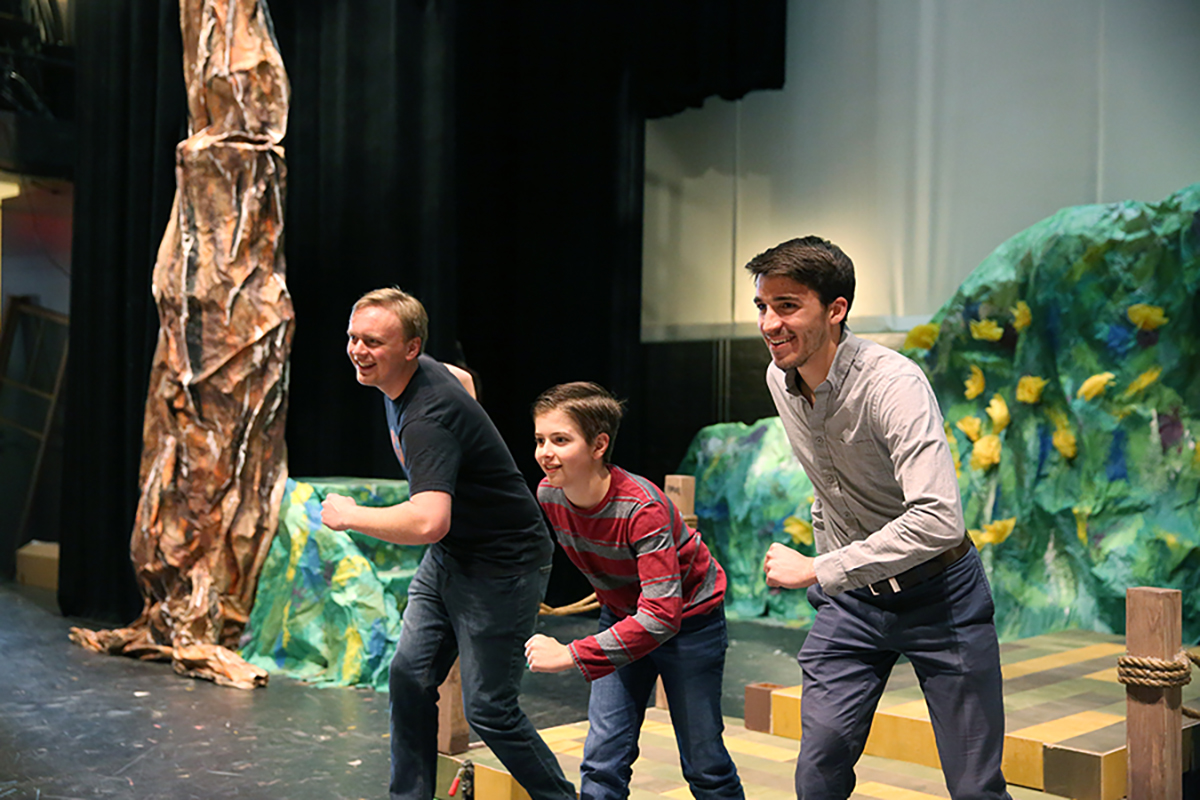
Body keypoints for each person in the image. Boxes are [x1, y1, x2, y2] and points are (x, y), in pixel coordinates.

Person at [748, 238, 1012, 800]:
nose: (771, 323)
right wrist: (834, 568)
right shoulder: (781, 379)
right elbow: (828, 483)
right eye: (763, 307)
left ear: (835, 309)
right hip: (854, 605)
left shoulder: (894, 384)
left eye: (788, 306)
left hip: (940, 596)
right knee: (818, 771)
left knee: (975, 788)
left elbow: (939, 519)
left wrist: (821, 567)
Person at [320, 287, 575, 800]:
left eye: (373, 341)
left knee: (489, 708)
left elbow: (429, 521)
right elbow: (461, 380)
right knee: (409, 678)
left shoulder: (426, 420)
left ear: (411, 348)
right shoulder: (423, 375)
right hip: (454, 555)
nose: (358, 350)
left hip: (503, 563)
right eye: (353, 337)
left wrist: (348, 515)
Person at [524, 382, 744, 800]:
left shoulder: (641, 509)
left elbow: (662, 616)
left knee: (704, 763)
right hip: (623, 615)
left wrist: (571, 653)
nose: (545, 452)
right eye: (539, 439)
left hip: (689, 624)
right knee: (602, 760)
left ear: (599, 445)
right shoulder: (549, 494)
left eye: (560, 440)